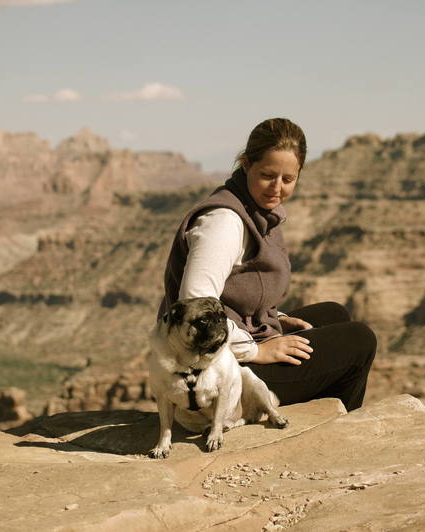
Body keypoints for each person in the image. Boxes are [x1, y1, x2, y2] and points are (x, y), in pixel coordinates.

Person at [158, 118, 376, 411]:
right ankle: (339, 429)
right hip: (206, 379)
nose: (276, 188)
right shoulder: (225, 222)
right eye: (267, 175)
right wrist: (256, 350)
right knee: (359, 341)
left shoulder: (255, 209)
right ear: (246, 164)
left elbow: (234, 294)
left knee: (333, 314)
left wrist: (276, 319)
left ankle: (316, 417)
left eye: (288, 180)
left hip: (224, 356)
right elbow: (193, 307)